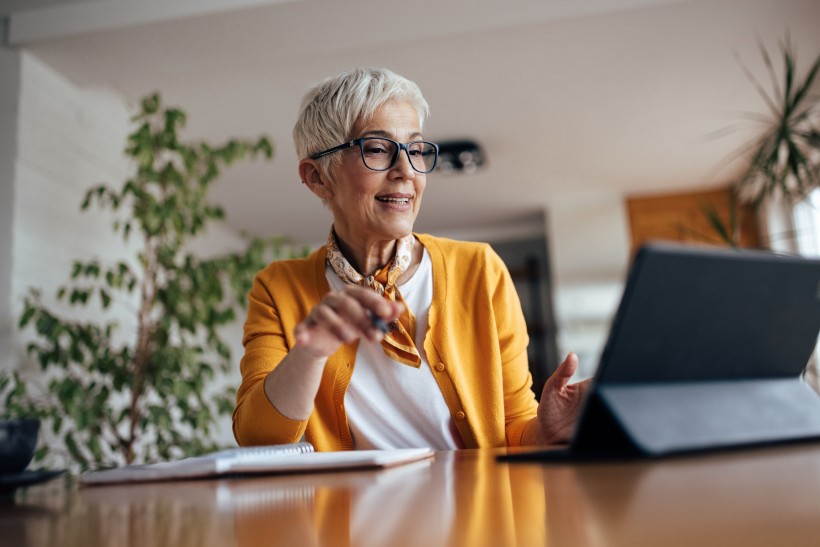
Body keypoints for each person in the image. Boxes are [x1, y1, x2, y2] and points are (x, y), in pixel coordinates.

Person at [233, 67, 589, 451]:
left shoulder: (480, 269)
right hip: (352, 512)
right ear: (318, 178)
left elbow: (514, 429)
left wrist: (546, 431)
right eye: (377, 149)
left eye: (415, 150)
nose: (406, 171)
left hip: (473, 509)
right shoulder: (277, 288)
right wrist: (313, 348)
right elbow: (257, 436)